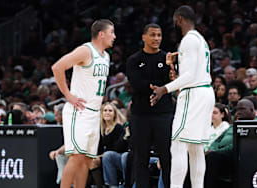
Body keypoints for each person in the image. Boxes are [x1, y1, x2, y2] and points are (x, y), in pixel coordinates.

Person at [150, 5, 215, 188]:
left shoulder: (188, 40)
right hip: (205, 92)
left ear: (178, 19)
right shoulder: (200, 40)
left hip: (193, 94)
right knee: (196, 148)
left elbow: (189, 76)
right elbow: (189, 72)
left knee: (177, 144)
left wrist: (164, 89)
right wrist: (174, 67)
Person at [51, 19, 116, 188]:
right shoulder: (85, 51)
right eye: (112, 33)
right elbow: (57, 67)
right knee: (76, 157)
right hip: (79, 111)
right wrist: (68, 95)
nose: (114, 37)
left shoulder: (106, 56)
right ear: (101, 34)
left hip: (94, 112)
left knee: (86, 159)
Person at [126, 23, 175, 188]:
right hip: (141, 115)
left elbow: (172, 81)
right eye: (153, 35)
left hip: (164, 114)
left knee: (167, 158)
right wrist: (158, 88)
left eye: (159, 35)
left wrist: (168, 78)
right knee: (140, 159)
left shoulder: (167, 58)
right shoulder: (134, 60)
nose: (156, 39)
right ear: (144, 37)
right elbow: (136, 83)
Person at [204, 99, 256, 188]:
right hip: (221, 155)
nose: (239, 112)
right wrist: (212, 149)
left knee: (213, 157)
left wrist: (216, 152)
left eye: (242, 109)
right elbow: (217, 141)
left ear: (252, 111)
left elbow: (236, 145)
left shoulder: (254, 126)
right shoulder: (232, 127)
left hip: (234, 157)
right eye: (237, 110)